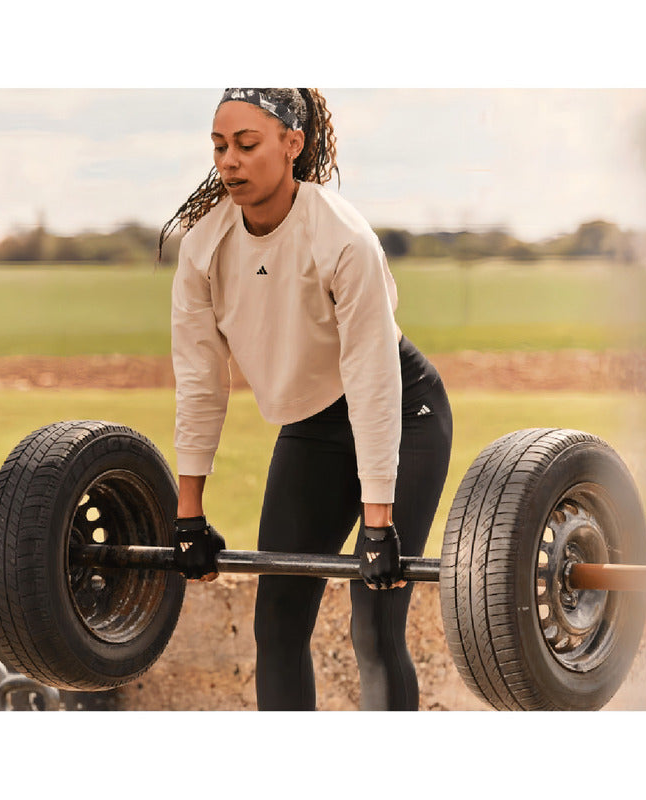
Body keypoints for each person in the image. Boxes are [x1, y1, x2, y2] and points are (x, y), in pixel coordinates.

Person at [159, 88, 453, 711]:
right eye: (219, 147)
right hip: (312, 427)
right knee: (277, 626)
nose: (229, 162)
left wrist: (380, 528)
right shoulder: (203, 248)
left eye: (246, 144)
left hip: (403, 413)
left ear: (292, 144)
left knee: (373, 621)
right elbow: (201, 380)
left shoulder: (343, 239)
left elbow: (374, 383)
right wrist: (188, 513)